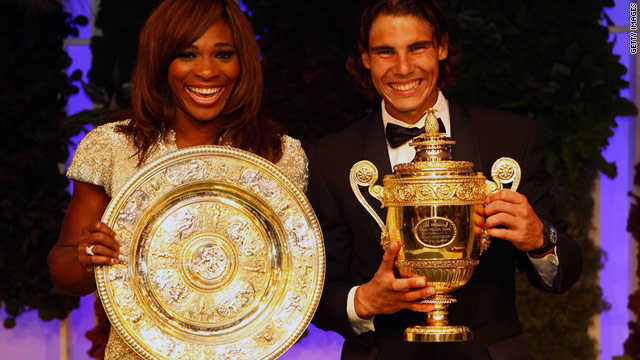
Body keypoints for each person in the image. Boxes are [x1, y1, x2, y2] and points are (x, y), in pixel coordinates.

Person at [306, 0, 582, 359]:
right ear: (366, 58)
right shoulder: (330, 158)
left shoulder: (511, 138)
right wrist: (362, 301)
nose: (403, 68)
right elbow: (317, 290)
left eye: (417, 48)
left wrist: (541, 239)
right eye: (386, 51)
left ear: (442, 47)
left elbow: (565, 272)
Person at [47, 0, 308, 358]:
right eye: (187, 54)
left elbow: (298, 280)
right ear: (160, 63)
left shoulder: (279, 155)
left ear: (242, 63)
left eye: (223, 54)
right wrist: (87, 257)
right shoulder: (111, 146)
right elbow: (63, 271)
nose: (206, 71)